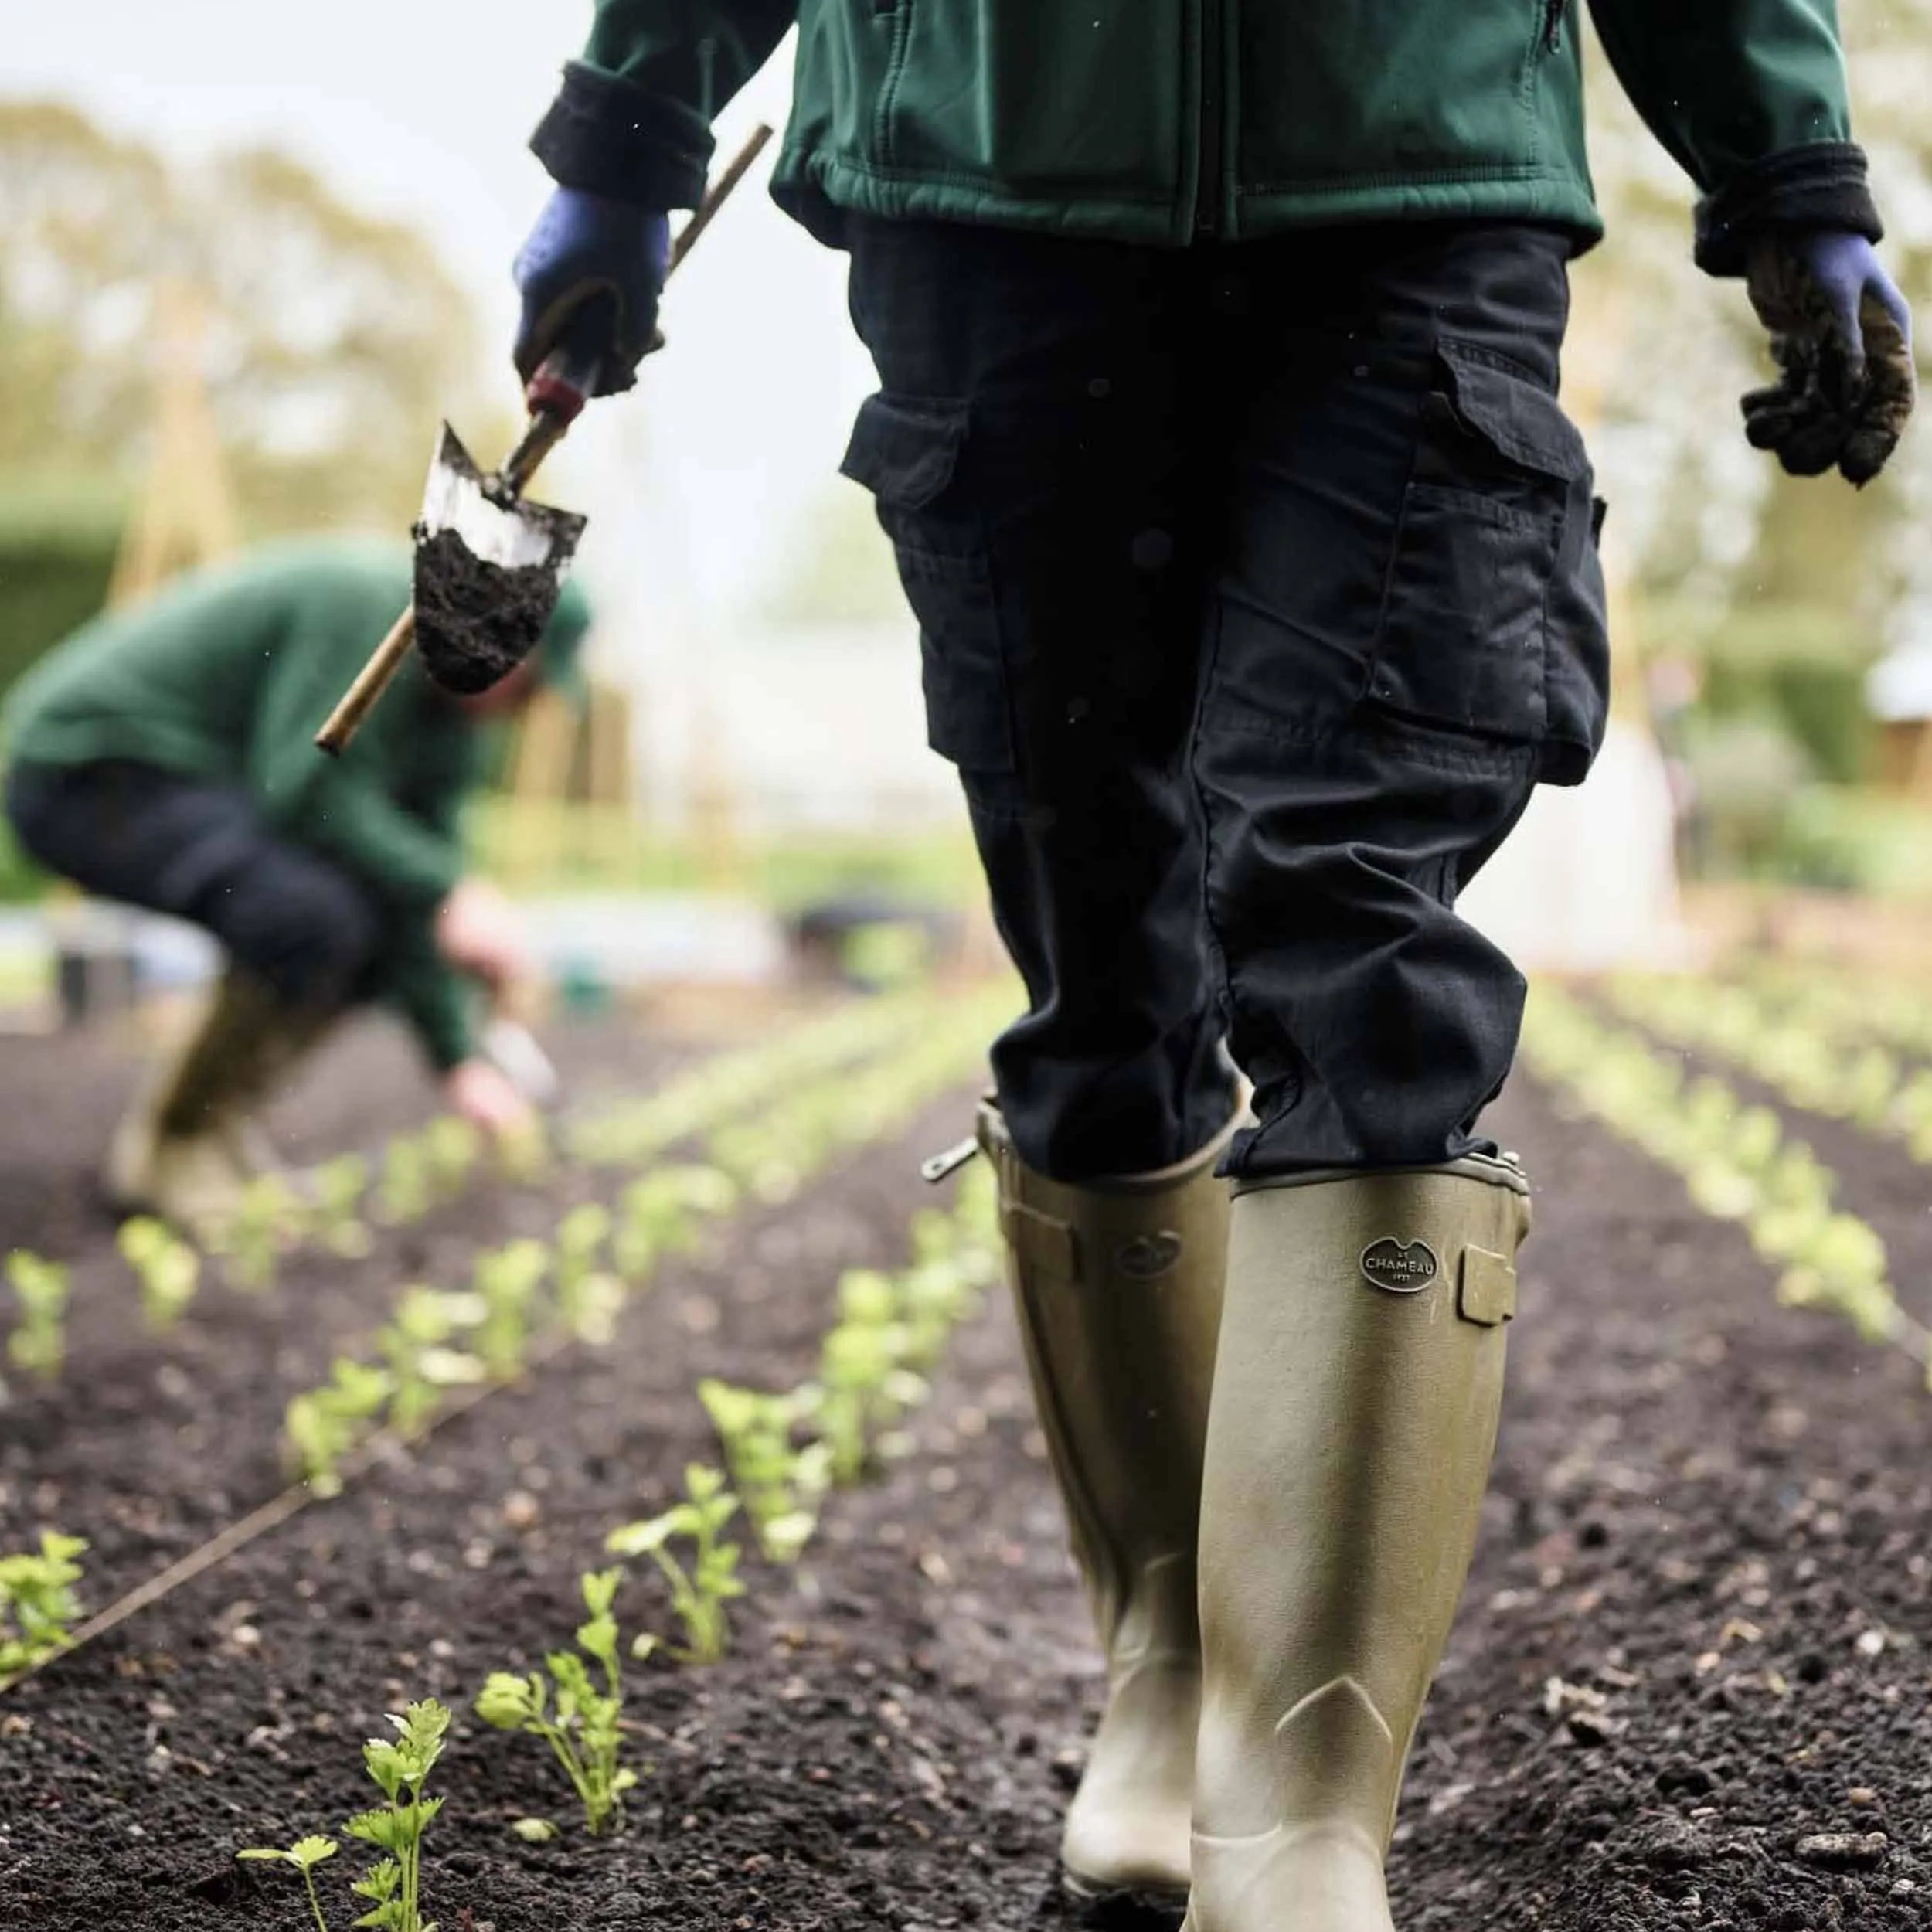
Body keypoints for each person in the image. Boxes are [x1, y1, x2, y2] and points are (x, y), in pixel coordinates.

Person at [509, 8, 1913, 1927]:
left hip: (1406, 190)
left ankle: (1302, 1811)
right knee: (1100, 967)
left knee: (1359, 923)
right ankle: (1168, 1671)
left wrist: (1787, 164)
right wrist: (623, 132)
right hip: (988, 188)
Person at [2, 539, 589, 1236]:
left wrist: (459, 1060)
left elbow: (410, 895)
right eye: (526, 681)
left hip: (193, 786)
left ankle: (215, 1134)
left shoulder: (454, 726)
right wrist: (450, 892)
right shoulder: (369, 614)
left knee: (360, 932)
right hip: (92, 767)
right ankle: (172, 1149)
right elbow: (303, 787)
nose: (519, 707)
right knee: (308, 915)